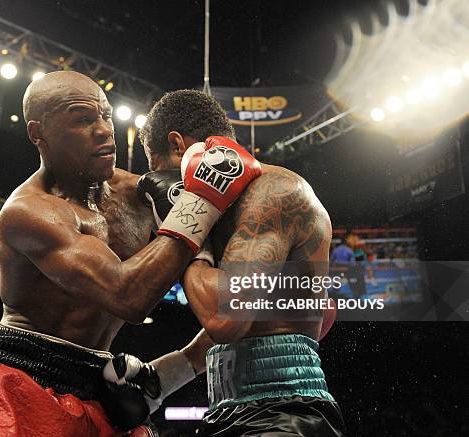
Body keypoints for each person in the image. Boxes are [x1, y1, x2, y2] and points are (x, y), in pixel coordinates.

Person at [0, 73, 261, 436]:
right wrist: (199, 203)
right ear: (38, 133)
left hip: (107, 384)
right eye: (84, 119)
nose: (104, 130)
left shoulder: (143, 193)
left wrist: (175, 370)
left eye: (106, 116)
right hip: (24, 379)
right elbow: (127, 297)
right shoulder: (30, 212)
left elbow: (244, 286)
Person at [139, 89, 345, 436]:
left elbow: (226, 316)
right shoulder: (235, 212)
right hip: (229, 409)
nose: (164, 181)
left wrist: (187, 232)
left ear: (177, 146)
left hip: (283, 414)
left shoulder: (274, 193)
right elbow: (259, 321)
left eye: (156, 166)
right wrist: (165, 375)